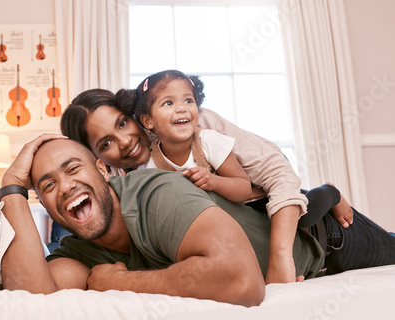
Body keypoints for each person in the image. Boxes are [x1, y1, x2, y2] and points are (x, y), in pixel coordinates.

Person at [0, 135, 395, 306]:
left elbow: (243, 283)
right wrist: (10, 188)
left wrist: (122, 283)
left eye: (73, 169)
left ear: (104, 171)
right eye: (47, 185)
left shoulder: (153, 192)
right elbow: (33, 302)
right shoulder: (77, 250)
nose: (65, 187)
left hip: (327, 238)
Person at [60, 87, 349, 284]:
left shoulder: (192, 126)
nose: (124, 142)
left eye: (122, 123)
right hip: (250, 221)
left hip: (271, 199)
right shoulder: (122, 190)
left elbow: (279, 174)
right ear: (96, 158)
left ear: (136, 116)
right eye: (106, 143)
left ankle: (329, 192)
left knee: (309, 209)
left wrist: (279, 261)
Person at [114, 69, 351, 229]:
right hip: (222, 216)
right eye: (169, 103)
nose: (182, 109)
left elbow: (243, 187)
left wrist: (213, 182)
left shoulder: (207, 140)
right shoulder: (150, 164)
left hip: (254, 198)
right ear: (147, 121)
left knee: (301, 220)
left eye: (188, 100)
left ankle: (328, 192)